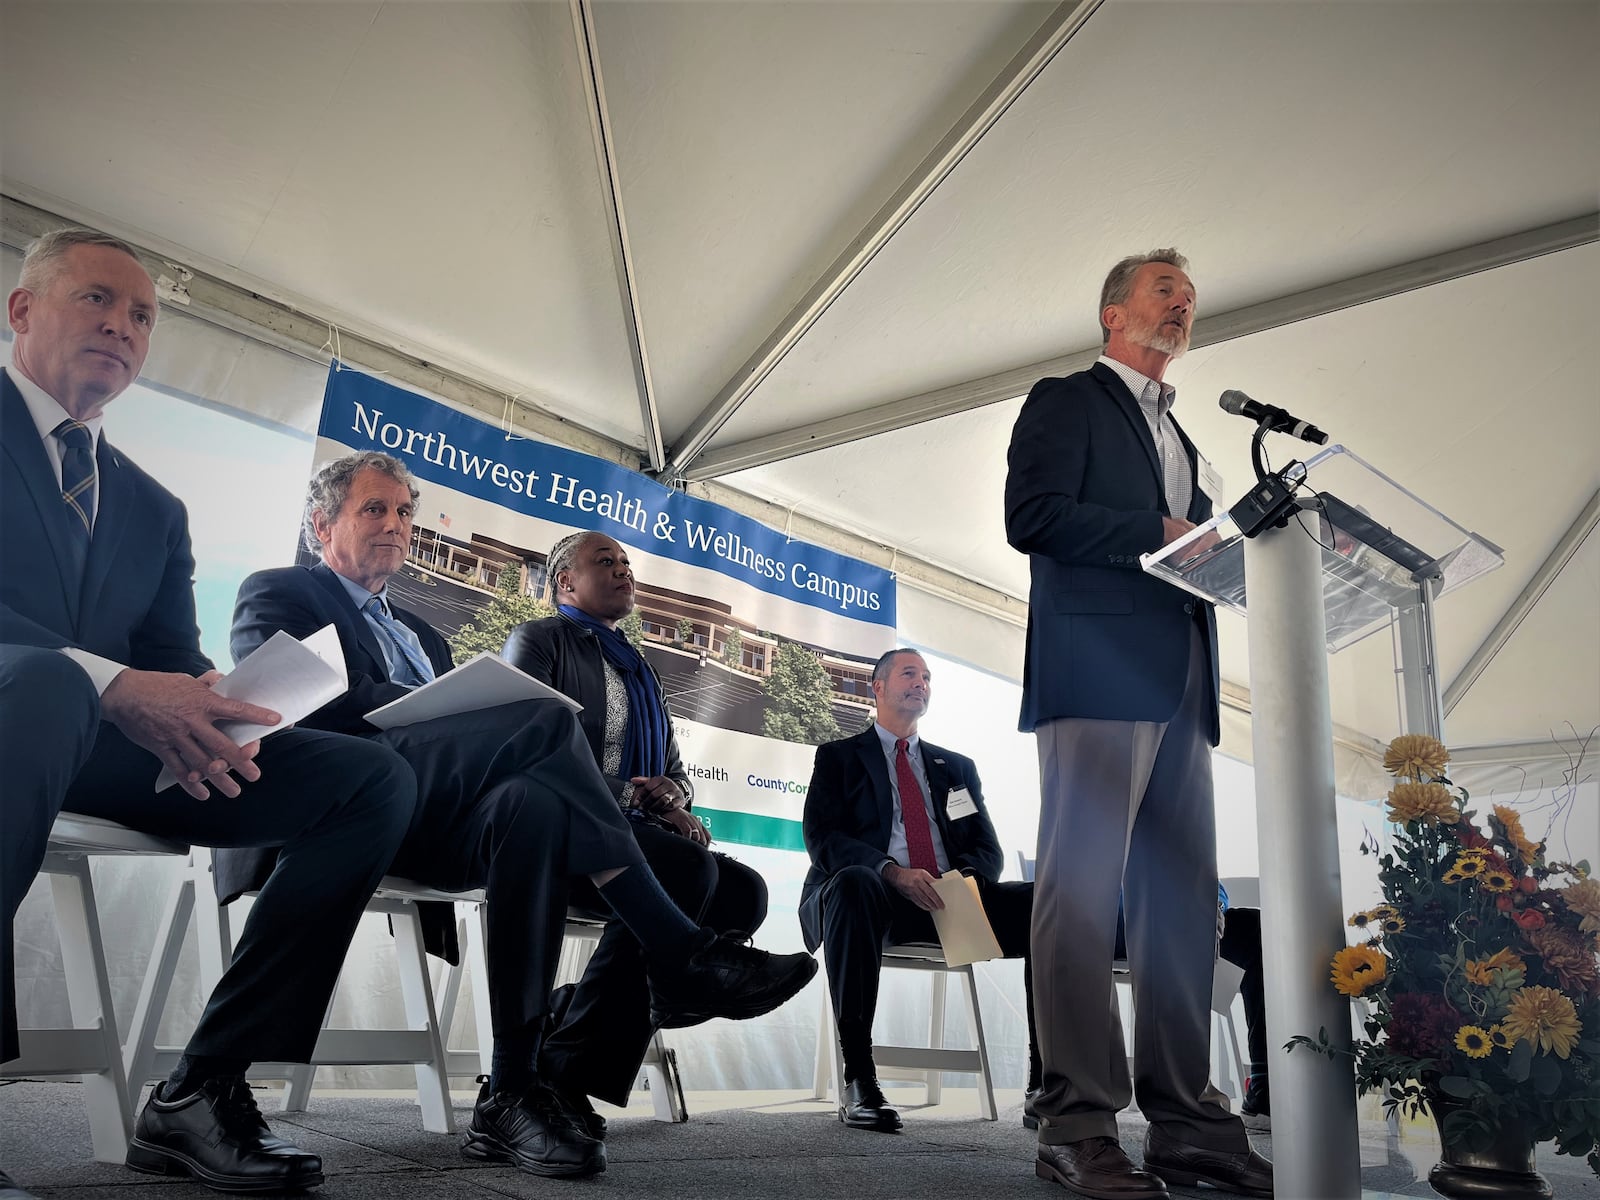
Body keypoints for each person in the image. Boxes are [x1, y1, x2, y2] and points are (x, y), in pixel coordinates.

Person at [228, 452, 815, 1179]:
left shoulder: (423, 634)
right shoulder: (284, 592)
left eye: (406, 513)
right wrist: (428, 723)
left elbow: (461, 744)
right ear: (322, 524)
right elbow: (283, 708)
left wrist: (670, 793)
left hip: (447, 818)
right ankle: (680, 957)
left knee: (538, 805)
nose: (396, 524)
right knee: (536, 724)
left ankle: (514, 1089)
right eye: (374, 509)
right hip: (350, 803)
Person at [0, 229, 420, 1196]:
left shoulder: (155, 508)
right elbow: (104, 678)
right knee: (57, 684)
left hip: (103, 746)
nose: (121, 324)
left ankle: (204, 1088)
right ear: (23, 310)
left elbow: (172, 667)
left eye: (141, 315)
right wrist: (111, 684)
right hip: (17, 714)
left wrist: (220, 715)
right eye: (96, 299)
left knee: (366, 779)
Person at [1004, 249, 1273, 1198]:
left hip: (1181, 684)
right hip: (1096, 675)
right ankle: (1074, 1123)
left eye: (1191, 296)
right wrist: (1156, 534)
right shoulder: (1066, 399)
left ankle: (1190, 1122)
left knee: (1180, 911)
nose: (1186, 304)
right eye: (1167, 290)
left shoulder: (1187, 439)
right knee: (1079, 900)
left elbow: (1184, 552)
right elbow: (1031, 516)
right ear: (1115, 311)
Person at [501, 531, 769, 1126]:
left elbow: (673, 771)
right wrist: (634, 794)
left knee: (742, 893)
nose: (624, 571)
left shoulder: (639, 667)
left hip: (636, 834)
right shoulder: (540, 641)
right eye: (606, 562)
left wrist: (676, 793)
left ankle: (569, 1024)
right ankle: (571, 1065)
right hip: (564, 834)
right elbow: (531, 744)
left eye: (626, 563)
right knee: (684, 869)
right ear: (564, 582)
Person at [799, 648, 1039, 1133]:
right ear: (879, 687)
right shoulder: (839, 758)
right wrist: (891, 870)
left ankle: (1047, 1081)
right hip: (875, 898)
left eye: (927, 677)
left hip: (950, 900)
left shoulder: (957, 768)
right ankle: (859, 1078)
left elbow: (986, 849)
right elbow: (823, 839)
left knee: (1043, 903)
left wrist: (960, 882)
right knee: (854, 882)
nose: (921, 683)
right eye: (910, 673)